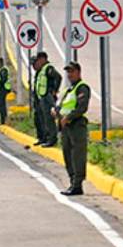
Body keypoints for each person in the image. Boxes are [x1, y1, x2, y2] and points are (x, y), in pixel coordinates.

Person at [56, 62, 91, 196]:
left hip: (76, 126)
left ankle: (77, 185)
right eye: (68, 72)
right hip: (66, 127)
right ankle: (72, 183)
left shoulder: (82, 88)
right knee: (68, 156)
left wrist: (69, 117)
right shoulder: (68, 90)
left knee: (77, 156)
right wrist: (56, 111)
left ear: (78, 72)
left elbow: (82, 107)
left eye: (72, 71)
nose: (70, 75)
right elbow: (62, 105)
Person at [32, 52, 61, 147]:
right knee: (41, 119)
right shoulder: (41, 70)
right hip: (41, 98)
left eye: (39, 60)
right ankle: (43, 138)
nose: (37, 62)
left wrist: (54, 90)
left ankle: (52, 139)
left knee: (49, 119)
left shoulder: (48, 68)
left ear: (43, 59)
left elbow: (58, 77)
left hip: (47, 98)